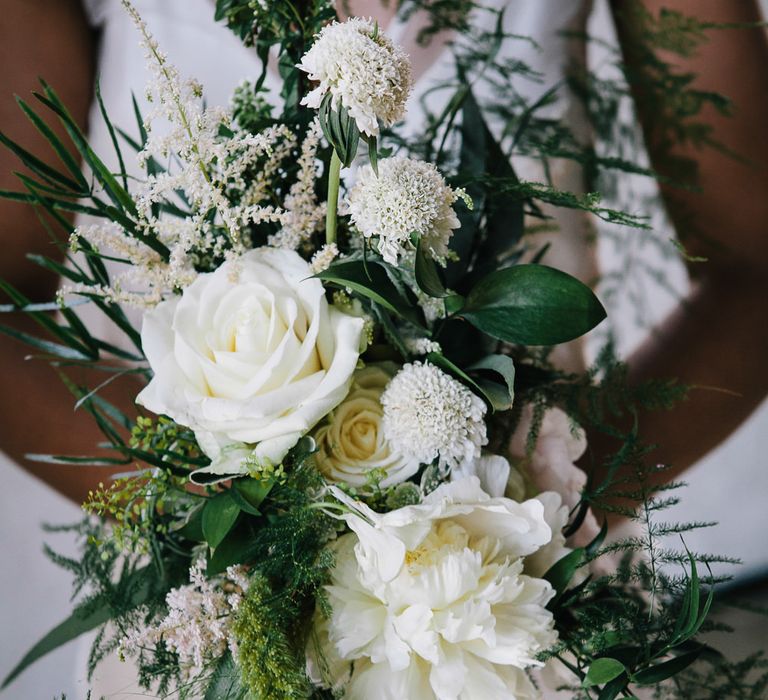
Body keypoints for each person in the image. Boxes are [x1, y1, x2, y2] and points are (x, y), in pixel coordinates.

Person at [0, 0, 766, 694]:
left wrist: (554, 489)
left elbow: (756, 266)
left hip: (526, 596)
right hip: (211, 614)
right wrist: (225, 507)